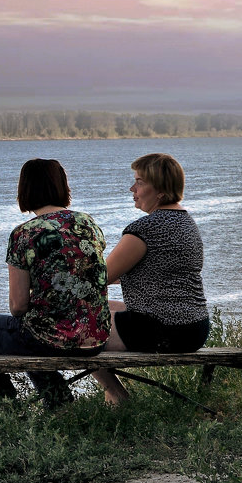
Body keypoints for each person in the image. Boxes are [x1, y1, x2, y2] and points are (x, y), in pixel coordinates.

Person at [0, 158, 110, 409]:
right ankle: (61, 406)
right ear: (63, 186)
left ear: (24, 189)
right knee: (34, 329)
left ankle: (6, 410)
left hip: (53, 340)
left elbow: (17, 306)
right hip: (95, 338)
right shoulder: (88, 223)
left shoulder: (24, 233)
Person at [93, 153, 210, 405]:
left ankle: (116, 393)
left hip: (162, 329)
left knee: (74, 327)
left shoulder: (145, 229)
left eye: (140, 182)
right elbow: (155, 273)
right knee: (95, 309)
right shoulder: (186, 223)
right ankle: (114, 394)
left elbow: (99, 278)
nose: (132, 189)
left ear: (160, 190)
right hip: (195, 327)